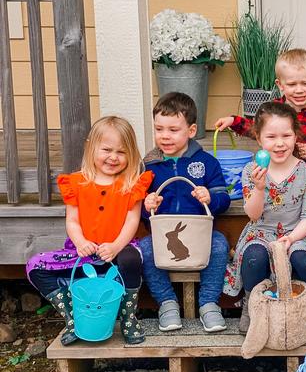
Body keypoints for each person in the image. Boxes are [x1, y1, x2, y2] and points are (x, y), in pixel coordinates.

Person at [25, 116, 153, 345]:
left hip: (118, 251)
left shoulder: (132, 184)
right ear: (91, 148)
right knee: (36, 266)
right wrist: (81, 242)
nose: (113, 157)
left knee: (132, 259)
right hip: (82, 254)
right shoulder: (76, 183)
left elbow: (131, 221)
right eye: (106, 150)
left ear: (131, 154)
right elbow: (72, 221)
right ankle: (75, 319)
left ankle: (127, 317)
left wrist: (115, 246)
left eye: (121, 152)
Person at [214, 48, 306, 262]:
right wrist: (233, 121)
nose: (299, 90)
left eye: (305, 83)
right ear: (280, 85)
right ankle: (248, 243)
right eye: (292, 84)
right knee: (262, 202)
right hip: (275, 177)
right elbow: (255, 127)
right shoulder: (275, 110)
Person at [231, 102, 306, 334]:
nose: (279, 143)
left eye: (286, 135)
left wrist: (290, 238)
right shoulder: (250, 171)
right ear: (259, 138)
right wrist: (259, 187)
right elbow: (253, 215)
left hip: (296, 232)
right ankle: (251, 305)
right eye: (271, 136)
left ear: (296, 136)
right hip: (260, 231)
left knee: (302, 258)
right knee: (254, 256)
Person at [139, 92, 231, 333]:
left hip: (200, 234)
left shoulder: (206, 163)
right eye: (159, 129)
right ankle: (167, 303)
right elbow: (138, 209)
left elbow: (224, 199)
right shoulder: (149, 166)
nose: (165, 136)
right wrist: (147, 205)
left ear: (191, 131)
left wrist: (211, 197)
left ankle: (209, 303)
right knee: (145, 248)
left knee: (220, 244)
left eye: (173, 130)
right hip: (162, 236)